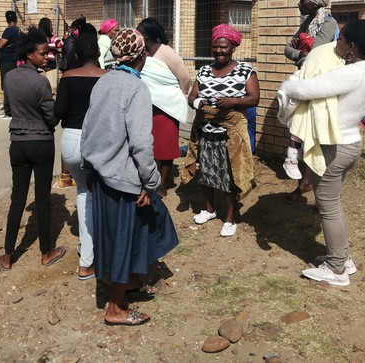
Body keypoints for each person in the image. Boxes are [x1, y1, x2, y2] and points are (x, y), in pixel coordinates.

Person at [280, 20, 365, 286]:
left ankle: (336, 270)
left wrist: (288, 85)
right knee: (333, 204)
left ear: (351, 46)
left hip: (337, 148)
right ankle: (343, 258)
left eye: (341, 38)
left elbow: (307, 89)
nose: (337, 42)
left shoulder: (351, 73)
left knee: (328, 207)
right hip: (350, 145)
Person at [81, 28, 178, 326]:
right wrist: (151, 182)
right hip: (123, 179)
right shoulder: (137, 88)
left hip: (100, 174)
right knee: (127, 236)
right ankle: (116, 307)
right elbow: (140, 142)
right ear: (142, 56)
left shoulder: (104, 81)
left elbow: (89, 127)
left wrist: (88, 167)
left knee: (119, 234)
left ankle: (131, 282)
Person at [0, 28, 65, 271]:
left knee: (18, 198)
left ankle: (7, 255)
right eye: (43, 53)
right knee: (43, 198)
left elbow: (9, 108)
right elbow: (51, 117)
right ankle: (46, 252)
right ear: (29, 55)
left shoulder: (10, 77)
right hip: (41, 143)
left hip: (18, 144)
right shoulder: (40, 81)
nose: (46, 57)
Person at [184, 25, 259, 237]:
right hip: (206, 131)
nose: (219, 51)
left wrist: (232, 101)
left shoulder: (245, 70)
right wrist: (196, 102)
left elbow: (254, 98)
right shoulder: (204, 71)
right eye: (215, 46)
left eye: (223, 47)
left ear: (233, 47)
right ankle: (209, 209)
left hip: (231, 133)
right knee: (206, 172)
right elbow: (192, 96)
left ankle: (230, 218)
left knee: (230, 176)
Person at [55, 34, 107, 279]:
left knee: (84, 193)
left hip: (71, 142)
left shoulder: (67, 77)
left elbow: (59, 112)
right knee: (97, 194)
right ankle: (89, 259)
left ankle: (89, 249)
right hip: (97, 141)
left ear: (75, 55)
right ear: (98, 53)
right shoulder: (107, 78)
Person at [283, 0, 340, 192]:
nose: (299, 4)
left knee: (311, 129)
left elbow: (315, 57)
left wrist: (302, 54)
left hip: (321, 82)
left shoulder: (328, 24)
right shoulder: (308, 22)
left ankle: (311, 180)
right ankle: (306, 180)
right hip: (307, 79)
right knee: (302, 127)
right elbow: (288, 49)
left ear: (315, 1)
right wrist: (300, 54)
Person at [137, 18, 191, 196]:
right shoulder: (141, 53)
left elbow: (184, 78)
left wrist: (178, 96)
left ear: (146, 35)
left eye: (139, 31)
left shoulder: (166, 52)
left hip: (167, 107)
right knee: (148, 145)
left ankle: (162, 185)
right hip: (146, 106)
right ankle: (148, 178)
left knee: (165, 146)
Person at [0, 10, 20, 119]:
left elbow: (1, 45)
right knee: (10, 84)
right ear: (16, 19)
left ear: (6, 20)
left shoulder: (9, 30)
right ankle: (10, 109)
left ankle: (9, 111)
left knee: (7, 85)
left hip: (7, 61)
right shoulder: (17, 30)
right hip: (12, 59)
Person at [38, 17, 61, 97]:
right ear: (46, 27)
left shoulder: (54, 38)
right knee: (40, 89)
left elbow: (60, 45)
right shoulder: (38, 38)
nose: (52, 28)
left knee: (53, 88)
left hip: (51, 67)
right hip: (40, 67)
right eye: (51, 26)